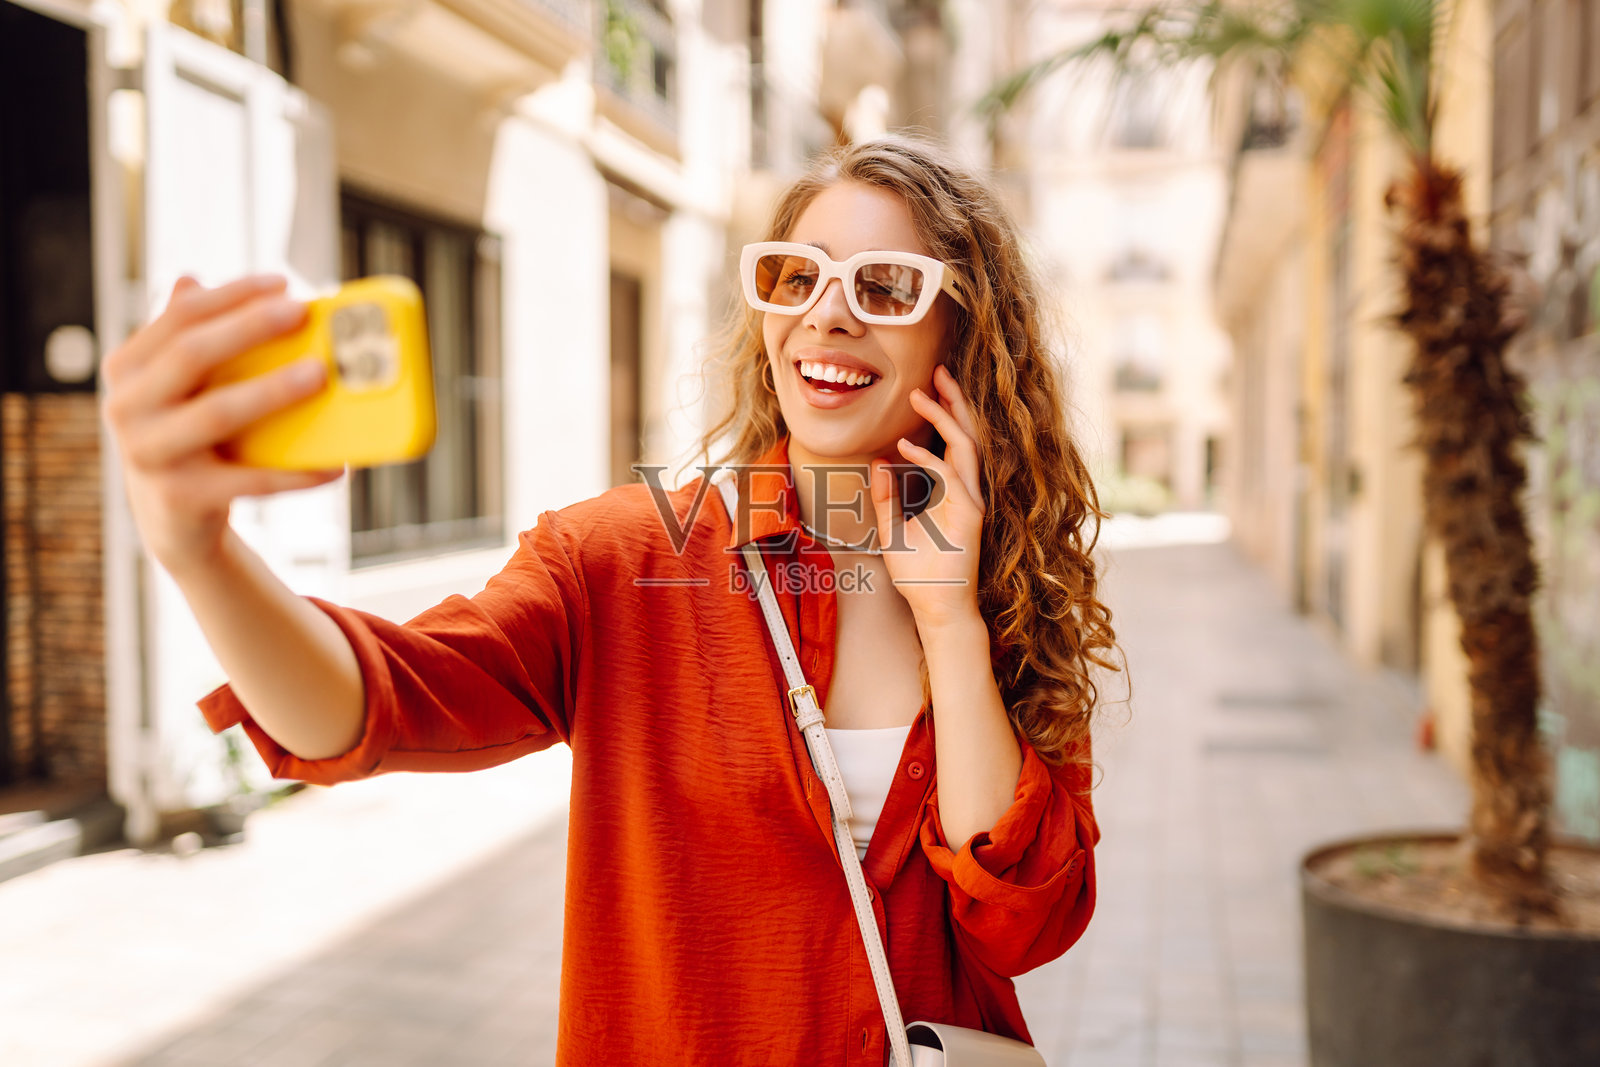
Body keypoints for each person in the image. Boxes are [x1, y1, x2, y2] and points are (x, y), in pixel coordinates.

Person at [101, 136, 1119, 1065]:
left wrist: (948, 620)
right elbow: (376, 701)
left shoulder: (1010, 595)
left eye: (886, 285)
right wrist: (200, 551)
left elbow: (1023, 926)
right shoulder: (624, 559)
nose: (829, 311)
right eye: (796, 276)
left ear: (964, 332)